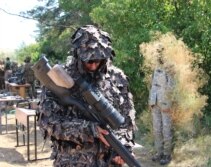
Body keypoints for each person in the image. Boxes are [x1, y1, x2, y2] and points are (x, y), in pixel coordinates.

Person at [38, 25, 137, 167]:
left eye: (99, 60)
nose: (93, 65)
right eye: (89, 61)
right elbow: (48, 122)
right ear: (77, 55)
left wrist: (124, 147)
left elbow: (126, 122)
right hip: (72, 162)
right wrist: (88, 129)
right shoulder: (59, 77)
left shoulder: (117, 78)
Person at [148, 46, 175, 165]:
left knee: (166, 129)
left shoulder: (170, 69)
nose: (159, 57)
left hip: (165, 103)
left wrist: (168, 102)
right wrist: (151, 101)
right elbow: (152, 85)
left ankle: (167, 154)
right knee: (156, 129)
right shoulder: (156, 68)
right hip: (154, 103)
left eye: (161, 54)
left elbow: (171, 88)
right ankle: (158, 153)